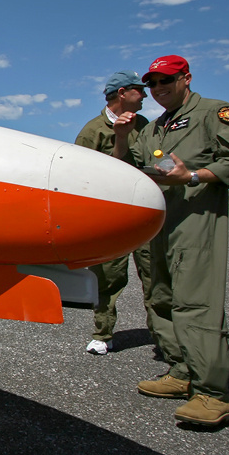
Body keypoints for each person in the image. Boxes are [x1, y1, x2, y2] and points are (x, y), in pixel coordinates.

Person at [112, 55, 229, 427]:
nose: (159, 89)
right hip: (160, 221)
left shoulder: (216, 112)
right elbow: (129, 168)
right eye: (153, 84)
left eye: (167, 81)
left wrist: (191, 176)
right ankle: (181, 372)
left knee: (196, 302)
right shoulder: (154, 127)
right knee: (161, 297)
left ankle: (212, 393)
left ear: (186, 78)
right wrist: (123, 137)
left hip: (196, 219)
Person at [75, 71, 155, 355]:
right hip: (111, 217)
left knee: (155, 276)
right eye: (139, 90)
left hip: (147, 215)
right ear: (122, 93)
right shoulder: (93, 130)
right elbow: (82, 176)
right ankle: (102, 333)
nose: (145, 95)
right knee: (108, 277)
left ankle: (162, 334)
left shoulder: (146, 125)